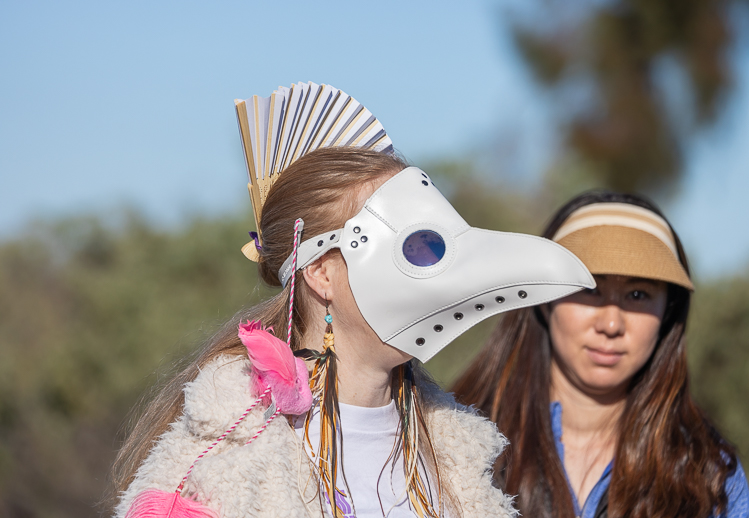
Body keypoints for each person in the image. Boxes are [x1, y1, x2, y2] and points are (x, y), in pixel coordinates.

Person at [108, 84, 594, 518]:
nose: (437, 261)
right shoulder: (223, 458)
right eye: (420, 245)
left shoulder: (455, 449)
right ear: (320, 271)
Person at [453, 191, 749, 518]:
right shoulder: (455, 440)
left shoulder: (709, 473)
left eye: (638, 294)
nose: (611, 323)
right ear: (544, 297)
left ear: (668, 312)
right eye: (590, 289)